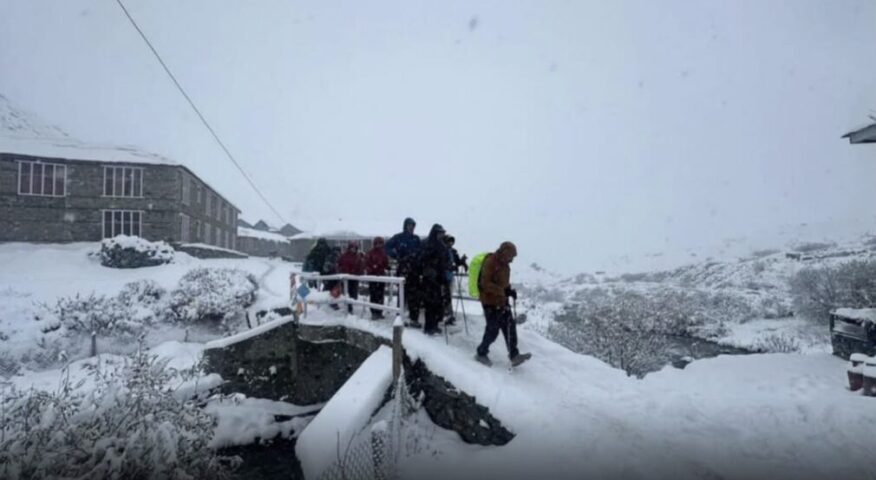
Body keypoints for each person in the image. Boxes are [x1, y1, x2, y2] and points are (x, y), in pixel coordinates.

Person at [475, 242, 530, 366]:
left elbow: (503, 283)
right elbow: (485, 284)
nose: (512, 260)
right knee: (492, 330)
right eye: (511, 256)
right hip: (489, 302)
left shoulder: (505, 265)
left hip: (502, 301)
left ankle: (514, 355)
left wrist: (509, 290)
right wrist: (502, 291)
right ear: (505, 253)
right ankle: (481, 353)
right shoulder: (491, 262)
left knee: (510, 327)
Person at [385, 217, 422, 325]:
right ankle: (400, 318)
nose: (411, 227)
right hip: (403, 268)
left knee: (414, 295)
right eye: (409, 225)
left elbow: (421, 252)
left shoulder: (416, 239)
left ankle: (414, 318)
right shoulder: (399, 237)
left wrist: (417, 259)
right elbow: (387, 246)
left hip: (414, 270)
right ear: (405, 225)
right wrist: (396, 255)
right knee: (402, 294)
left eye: (413, 225)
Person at [419, 224, 451, 335]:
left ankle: (435, 324)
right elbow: (421, 259)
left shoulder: (442, 246)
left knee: (438, 303)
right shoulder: (426, 244)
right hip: (429, 278)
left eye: (442, 233)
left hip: (439, 278)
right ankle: (429, 327)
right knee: (429, 303)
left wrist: (446, 270)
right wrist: (430, 262)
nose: (441, 235)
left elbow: (445, 261)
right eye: (439, 232)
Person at [442, 235, 468, 325]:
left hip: (449, 277)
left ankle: (449, 315)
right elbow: (442, 264)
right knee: (445, 297)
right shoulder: (442, 252)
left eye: (451, 242)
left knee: (448, 296)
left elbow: (457, 262)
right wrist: (451, 267)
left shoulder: (453, 251)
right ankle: (446, 315)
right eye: (448, 241)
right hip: (442, 277)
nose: (450, 244)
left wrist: (462, 261)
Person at [364, 237, 390, 320]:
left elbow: (386, 264)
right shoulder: (370, 253)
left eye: (380, 243)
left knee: (380, 295)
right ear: (374, 244)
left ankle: (379, 312)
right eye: (377, 243)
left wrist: (387, 267)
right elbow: (366, 264)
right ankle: (374, 312)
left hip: (381, 276)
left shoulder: (384, 253)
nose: (378, 245)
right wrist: (371, 269)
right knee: (373, 295)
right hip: (373, 277)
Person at [337, 241, 365, 314]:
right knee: (347, 292)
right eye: (352, 248)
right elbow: (339, 265)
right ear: (349, 248)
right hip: (346, 278)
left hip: (354, 278)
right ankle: (349, 308)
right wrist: (343, 270)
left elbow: (361, 267)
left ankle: (350, 305)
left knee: (353, 294)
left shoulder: (358, 257)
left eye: (355, 248)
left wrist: (359, 271)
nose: (353, 250)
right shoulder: (344, 256)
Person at [323, 246, 342, 310]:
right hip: (334, 277)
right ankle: (333, 303)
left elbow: (325, 267)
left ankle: (327, 302)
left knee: (328, 290)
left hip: (329, 277)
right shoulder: (337, 257)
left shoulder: (329, 256)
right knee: (333, 290)